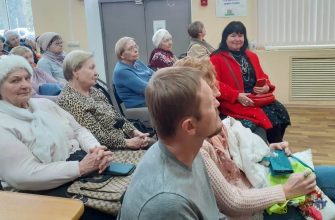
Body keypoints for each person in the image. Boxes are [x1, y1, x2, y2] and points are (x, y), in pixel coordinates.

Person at [175, 57, 335, 219]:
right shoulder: (198, 149)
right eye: (210, 91)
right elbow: (233, 202)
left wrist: (269, 152)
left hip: (266, 186)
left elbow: (246, 154)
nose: (218, 94)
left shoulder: (217, 127)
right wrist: (286, 190)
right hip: (259, 205)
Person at [0, 55, 113, 220]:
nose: (25, 85)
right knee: (105, 213)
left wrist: (95, 150)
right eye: (15, 81)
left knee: (129, 190)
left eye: (27, 78)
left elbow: (79, 130)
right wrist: (80, 168)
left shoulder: (44, 105)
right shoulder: (3, 123)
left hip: (77, 169)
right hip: (37, 194)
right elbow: (24, 175)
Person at [118, 67, 225, 219]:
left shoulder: (188, 153)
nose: (218, 103)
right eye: (210, 104)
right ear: (190, 126)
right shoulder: (168, 205)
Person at [210, 21, 290, 143]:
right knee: (268, 119)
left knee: (281, 112)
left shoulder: (251, 56)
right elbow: (214, 83)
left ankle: (276, 146)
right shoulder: (216, 58)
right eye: (233, 35)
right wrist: (236, 95)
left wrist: (266, 87)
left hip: (257, 98)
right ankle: (275, 149)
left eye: (240, 35)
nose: (237, 39)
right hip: (235, 102)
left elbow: (263, 76)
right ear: (225, 38)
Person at [57, 50, 153, 150]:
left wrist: (134, 132)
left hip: (124, 139)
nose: (96, 73)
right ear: (75, 72)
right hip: (107, 150)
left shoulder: (94, 91)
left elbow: (116, 116)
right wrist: (128, 142)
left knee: (160, 147)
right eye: (91, 68)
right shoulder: (69, 100)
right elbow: (96, 135)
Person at [113, 36, 154, 108]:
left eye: (135, 46)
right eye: (130, 48)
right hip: (139, 106)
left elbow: (155, 74)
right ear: (122, 55)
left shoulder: (137, 62)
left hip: (150, 101)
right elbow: (147, 89)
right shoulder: (122, 71)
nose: (135, 50)